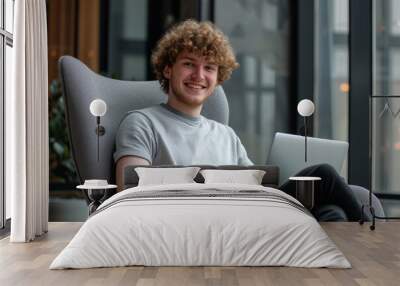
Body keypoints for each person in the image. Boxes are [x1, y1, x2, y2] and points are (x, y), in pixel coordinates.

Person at [114, 19, 362, 221]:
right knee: (323, 175)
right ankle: (377, 236)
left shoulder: (226, 135)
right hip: (198, 217)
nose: (199, 75)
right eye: (189, 64)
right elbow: (129, 191)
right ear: (168, 69)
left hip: (246, 211)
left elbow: (257, 185)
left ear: (218, 78)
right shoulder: (141, 122)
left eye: (209, 67)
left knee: (332, 213)